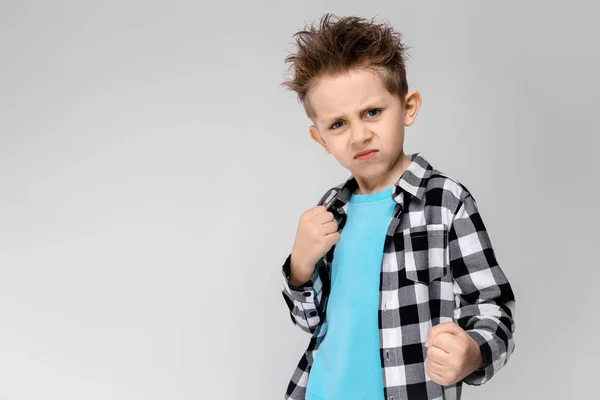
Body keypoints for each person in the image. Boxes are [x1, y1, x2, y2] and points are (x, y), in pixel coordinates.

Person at [279, 13, 516, 400]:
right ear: (319, 138)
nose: (359, 135)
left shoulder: (445, 203)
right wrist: (300, 268)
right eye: (337, 124)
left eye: (372, 112)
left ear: (408, 107)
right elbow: (310, 322)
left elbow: (492, 306)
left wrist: (472, 353)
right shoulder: (329, 211)